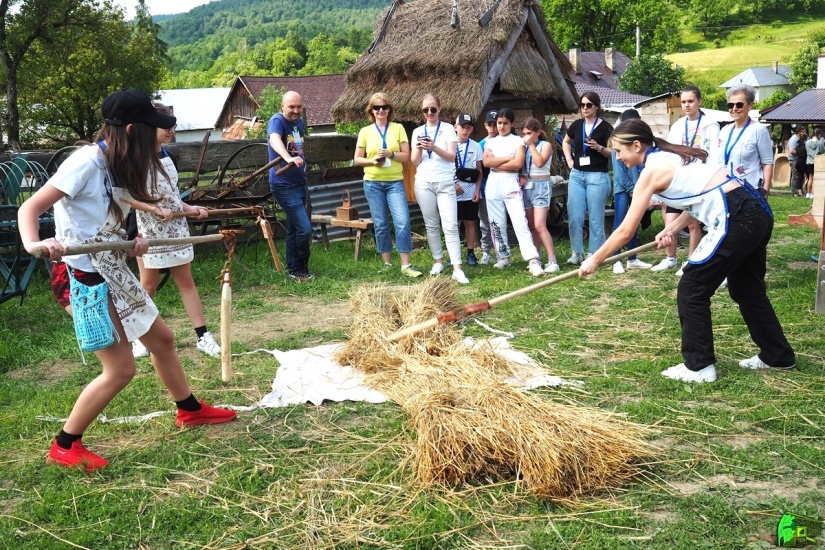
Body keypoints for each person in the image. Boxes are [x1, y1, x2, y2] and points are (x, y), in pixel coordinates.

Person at [17, 89, 236, 471]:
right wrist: (36, 242)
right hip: (83, 278)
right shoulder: (85, 162)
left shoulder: (118, 163)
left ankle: (189, 410)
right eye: (153, 129)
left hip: (112, 268)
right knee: (121, 369)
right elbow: (30, 206)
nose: (159, 136)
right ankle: (65, 445)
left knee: (163, 341)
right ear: (133, 129)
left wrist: (130, 242)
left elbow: (108, 216)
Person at [579, 118, 795, 383]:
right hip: (755, 209)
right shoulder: (670, 155)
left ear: (636, 145)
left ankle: (699, 366)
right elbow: (699, 196)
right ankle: (778, 356)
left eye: (620, 151)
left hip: (737, 216)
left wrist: (595, 258)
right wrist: (673, 228)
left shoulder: (651, 171)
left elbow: (625, 230)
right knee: (747, 290)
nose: (619, 158)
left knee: (692, 287)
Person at [129, 103, 221, 359]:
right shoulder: (136, 158)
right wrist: (154, 209)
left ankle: (203, 336)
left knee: (186, 281)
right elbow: (127, 197)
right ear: (149, 127)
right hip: (149, 231)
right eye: (164, 126)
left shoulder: (169, 156)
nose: (170, 130)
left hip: (176, 229)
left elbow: (171, 198)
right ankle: (140, 339)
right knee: (148, 284)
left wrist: (190, 208)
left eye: (172, 125)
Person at [353, 92, 421, 278]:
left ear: (389, 110)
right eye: (377, 107)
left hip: (394, 182)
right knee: (381, 224)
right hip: (373, 183)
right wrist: (373, 161)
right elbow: (357, 159)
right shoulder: (365, 132)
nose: (381, 110)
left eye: (384, 107)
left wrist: (391, 154)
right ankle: (387, 263)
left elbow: (407, 156)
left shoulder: (398, 128)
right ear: (371, 111)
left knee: (402, 221)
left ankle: (406, 265)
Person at [656, 86, 719, 276]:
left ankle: (692, 261)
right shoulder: (678, 125)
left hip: (699, 179)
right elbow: (670, 152)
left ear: (699, 101)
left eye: (690, 101)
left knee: (692, 223)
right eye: (683, 102)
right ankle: (670, 258)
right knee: (670, 221)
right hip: (680, 179)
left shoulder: (710, 124)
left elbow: (714, 155)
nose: (686, 105)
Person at [410, 94, 468, 284]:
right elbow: (414, 161)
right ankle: (438, 261)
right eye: (425, 110)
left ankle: (457, 267)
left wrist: (433, 147)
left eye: (433, 109)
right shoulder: (417, 131)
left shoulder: (448, 129)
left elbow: (451, 157)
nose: (429, 113)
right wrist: (420, 147)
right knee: (431, 224)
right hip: (424, 182)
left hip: (444, 182)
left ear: (439, 109)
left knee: (450, 224)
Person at [482, 108, 544, 277]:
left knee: (519, 222)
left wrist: (498, 162)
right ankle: (503, 256)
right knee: (496, 223)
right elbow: (486, 162)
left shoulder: (517, 141)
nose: (501, 126)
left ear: (511, 124)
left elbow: (517, 164)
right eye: (499, 123)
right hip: (493, 183)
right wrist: (507, 159)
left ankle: (532, 259)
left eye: (505, 123)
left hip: (510, 183)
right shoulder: (490, 142)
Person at [562, 91, 613, 265]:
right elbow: (566, 142)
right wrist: (569, 160)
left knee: (595, 217)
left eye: (589, 105)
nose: (585, 108)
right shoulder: (576, 125)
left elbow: (613, 153)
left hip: (597, 175)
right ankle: (576, 253)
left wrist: (599, 147)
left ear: (597, 107)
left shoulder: (606, 127)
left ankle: (593, 254)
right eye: (582, 105)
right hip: (577, 174)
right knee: (575, 216)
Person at [268, 91, 313, 282]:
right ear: (282, 106)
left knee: (295, 227)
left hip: (299, 182)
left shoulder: (300, 123)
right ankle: (302, 263)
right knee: (304, 229)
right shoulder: (277, 121)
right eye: (291, 107)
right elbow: (274, 139)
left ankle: (296, 269)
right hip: (283, 184)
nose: (295, 111)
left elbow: (298, 147)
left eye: (298, 107)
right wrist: (288, 158)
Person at [608, 109, 653, 274]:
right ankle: (616, 260)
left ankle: (632, 258)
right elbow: (619, 175)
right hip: (623, 190)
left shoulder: (639, 145)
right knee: (620, 223)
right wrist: (633, 190)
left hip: (637, 189)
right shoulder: (618, 144)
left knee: (633, 224)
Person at [716, 84, 773, 196]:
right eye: (730, 105)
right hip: (724, 189)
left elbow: (767, 163)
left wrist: (765, 191)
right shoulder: (724, 131)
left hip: (749, 191)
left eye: (739, 105)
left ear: (750, 105)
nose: (734, 109)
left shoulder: (759, 130)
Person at [520, 117, 560, 273]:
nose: (526, 136)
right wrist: (522, 176)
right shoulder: (523, 146)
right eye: (524, 133)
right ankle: (536, 258)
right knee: (531, 226)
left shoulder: (546, 145)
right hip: (527, 186)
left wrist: (530, 145)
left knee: (540, 225)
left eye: (529, 133)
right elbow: (522, 166)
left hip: (541, 185)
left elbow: (539, 162)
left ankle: (552, 260)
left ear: (537, 132)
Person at [453, 113, 483, 266]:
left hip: (470, 191)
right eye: (462, 127)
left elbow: (479, 170)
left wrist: (478, 190)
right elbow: (443, 168)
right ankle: (454, 255)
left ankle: (471, 253)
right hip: (453, 190)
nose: (465, 130)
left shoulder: (476, 146)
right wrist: (452, 184)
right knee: (455, 223)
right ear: (455, 127)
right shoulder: (449, 144)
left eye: (468, 128)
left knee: (470, 222)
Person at [477, 110, 498, 264]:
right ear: (485, 126)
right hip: (485, 186)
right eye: (490, 124)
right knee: (485, 221)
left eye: (495, 124)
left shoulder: (506, 142)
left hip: (501, 186)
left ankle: (501, 251)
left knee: (499, 220)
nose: (493, 128)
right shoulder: (481, 145)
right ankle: (486, 251)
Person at [804, 128, 825, 199]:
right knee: (815, 178)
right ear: (818, 134)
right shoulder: (820, 143)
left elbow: (807, 150)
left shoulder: (807, 142)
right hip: (817, 161)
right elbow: (822, 151)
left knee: (810, 177)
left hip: (809, 161)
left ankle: (808, 193)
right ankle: (813, 194)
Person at [787, 125, 805, 197]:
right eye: (804, 132)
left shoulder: (799, 139)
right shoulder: (794, 139)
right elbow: (791, 150)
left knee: (800, 176)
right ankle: (794, 192)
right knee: (795, 176)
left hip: (798, 160)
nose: (805, 133)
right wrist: (801, 153)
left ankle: (799, 191)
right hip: (794, 160)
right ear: (800, 132)